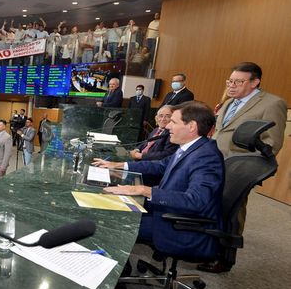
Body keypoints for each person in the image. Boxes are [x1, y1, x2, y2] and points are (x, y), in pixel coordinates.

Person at [93, 101, 224, 260]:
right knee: (108, 206)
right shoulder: (190, 147)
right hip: (166, 212)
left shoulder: (206, 156)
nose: (168, 126)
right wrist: (119, 165)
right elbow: (160, 165)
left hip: (178, 226)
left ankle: (109, 272)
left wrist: (142, 190)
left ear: (191, 127)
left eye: (173, 122)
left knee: (108, 223)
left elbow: (196, 201)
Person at [200, 62, 288, 273]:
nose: (231, 85)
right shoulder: (230, 102)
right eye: (230, 81)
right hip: (216, 163)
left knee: (233, 210)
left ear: (255, 82)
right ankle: (208, 247)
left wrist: (248, 167)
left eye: (238, 81)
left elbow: (272, 143)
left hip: (239, 168)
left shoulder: (272, 103)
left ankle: (225, 257)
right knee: (214, 205)